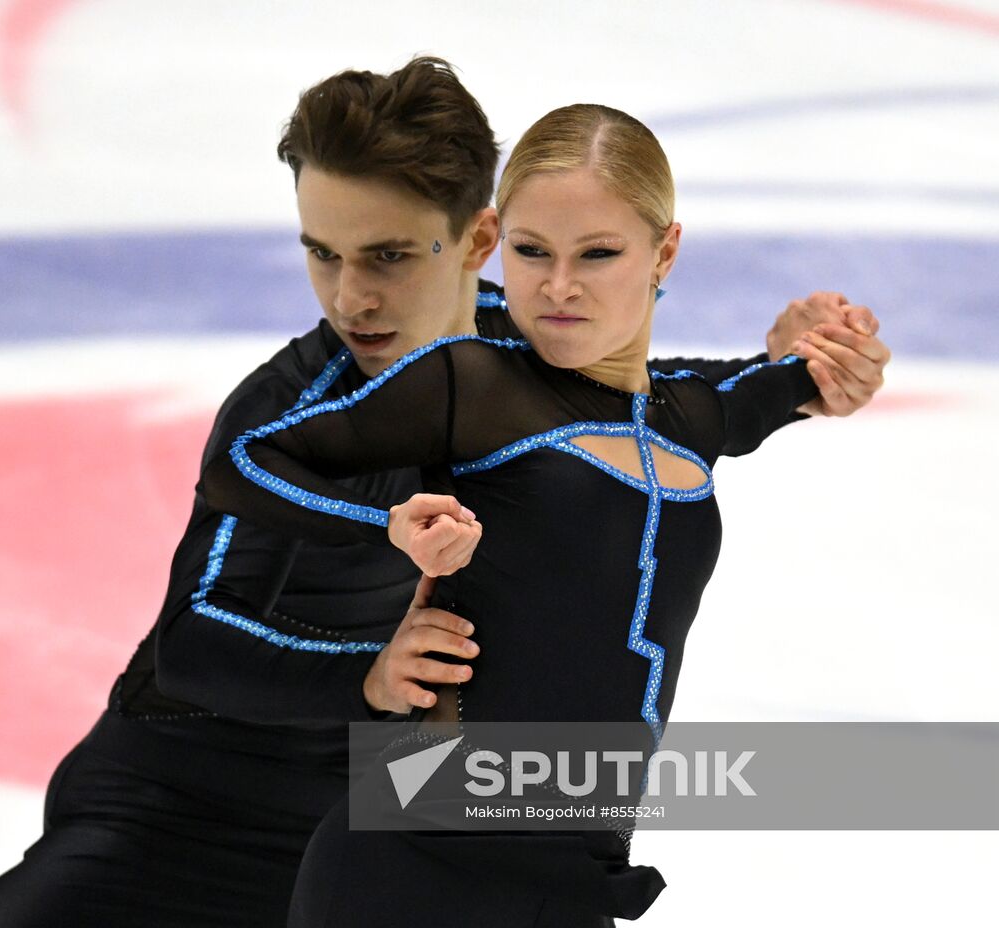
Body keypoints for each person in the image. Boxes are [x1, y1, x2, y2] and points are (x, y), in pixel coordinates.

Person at [0, 60, 889, 928]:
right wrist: (367, 663)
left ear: (476, 240)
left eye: (389, 257)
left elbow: (644, 408)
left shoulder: (528, 349)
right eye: (323, 254)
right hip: (177, 811)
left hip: (410, 816)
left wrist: (791, 366)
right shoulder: (294, 407)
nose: (349, 299)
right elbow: (191, 646)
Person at [200, 101, 863, 926]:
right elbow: (243, 462)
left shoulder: (692, 417)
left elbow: (791, 379)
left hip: (576, 876)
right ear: (493, 242)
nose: (557, 287)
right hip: (414, 855)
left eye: (598, 254)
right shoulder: (469, 383)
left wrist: (826, 353)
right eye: (531, 252)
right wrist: (387, 525)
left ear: (665, 251)